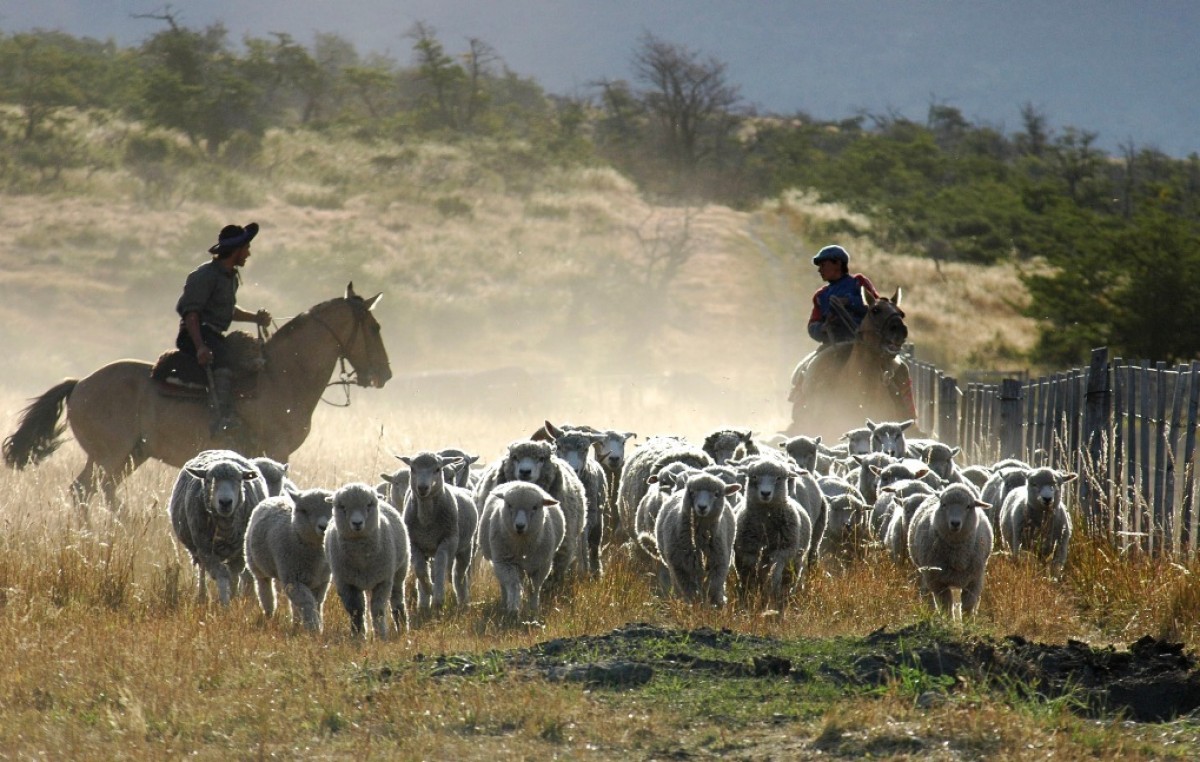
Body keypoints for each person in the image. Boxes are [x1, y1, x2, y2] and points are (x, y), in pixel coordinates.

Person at [175, 222, 272, 432]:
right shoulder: (205, 276)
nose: (248, 253)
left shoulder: (230, 277)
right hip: (196, 334)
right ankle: (222, 418)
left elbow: (228, 310)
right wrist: (200, 346)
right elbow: (191, 314)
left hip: (213, 335)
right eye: (246, 248)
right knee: (225, 361)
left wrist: (255, 318)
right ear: (236, 250)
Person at [807, 244, 879, 346]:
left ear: (838, 263)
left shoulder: (858, 282)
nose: (819, 270)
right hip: (833, 346)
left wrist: (849, 301)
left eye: (823, 265)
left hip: (865, 343)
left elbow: (877, 308)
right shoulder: (820, 296)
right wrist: (822, 328)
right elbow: (812, 325)